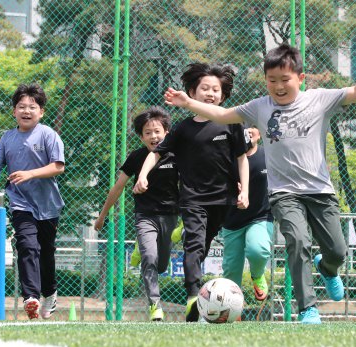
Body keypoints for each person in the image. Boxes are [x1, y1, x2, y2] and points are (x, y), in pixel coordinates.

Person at [164, 44, 356, 324]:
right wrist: (188, 103)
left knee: (337, 251)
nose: (278, 86)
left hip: (320, 191)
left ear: (301, 78)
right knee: (297, 240)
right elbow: (222, 115)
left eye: (285, 80)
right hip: (284, 193)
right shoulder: (260, 106)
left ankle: (328, 268)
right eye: (272, 81)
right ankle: (308, 308)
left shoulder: (319, 99)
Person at [134, 63, 250, 322]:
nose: (210, 93)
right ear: (192, 92)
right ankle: (193, 297)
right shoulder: (183, 129)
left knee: (204, 245)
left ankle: (195, 289)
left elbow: (242, 158)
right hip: (193, 199)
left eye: (216, 90)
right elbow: (156, 153)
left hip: (224, 198)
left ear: (223, 95)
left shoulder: (231, 122)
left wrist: (245, 192)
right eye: (205, 88)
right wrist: (142, 175)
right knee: (194, 246)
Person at [94, 106, 179, 321]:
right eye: (147, 132)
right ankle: (155, 304)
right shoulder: (136, 157)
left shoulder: (176, 155)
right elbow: (118, 187)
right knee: (150, 257)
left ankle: (141, 251)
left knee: (160, 265)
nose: (153, 136)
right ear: (141, 136)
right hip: (145, 215)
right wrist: (103, 215)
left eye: (157, 131)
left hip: (170, 216)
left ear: (166, 132)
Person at [0, 83, 65, 320]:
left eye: (32, 107)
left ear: (41, 112)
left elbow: (58, 166)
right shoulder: (7, 138)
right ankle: (31, 297)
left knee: (46, 253)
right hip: (20, 203)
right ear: (14, 111)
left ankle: (50, 294)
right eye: (21, 106)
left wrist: (30, 174)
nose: (26, 111)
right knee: (27, 245)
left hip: (48, 205)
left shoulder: (48, 135)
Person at [221, 127, 273, 301]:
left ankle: (257, 274)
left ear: (259, 134)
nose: (248, 132)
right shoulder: (227, 158)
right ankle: (232, 312)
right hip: (232, 221)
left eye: (252, 128)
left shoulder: (270, 156)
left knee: (257, 250)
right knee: (231, 271)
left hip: (260, 216)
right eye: (243, 128)